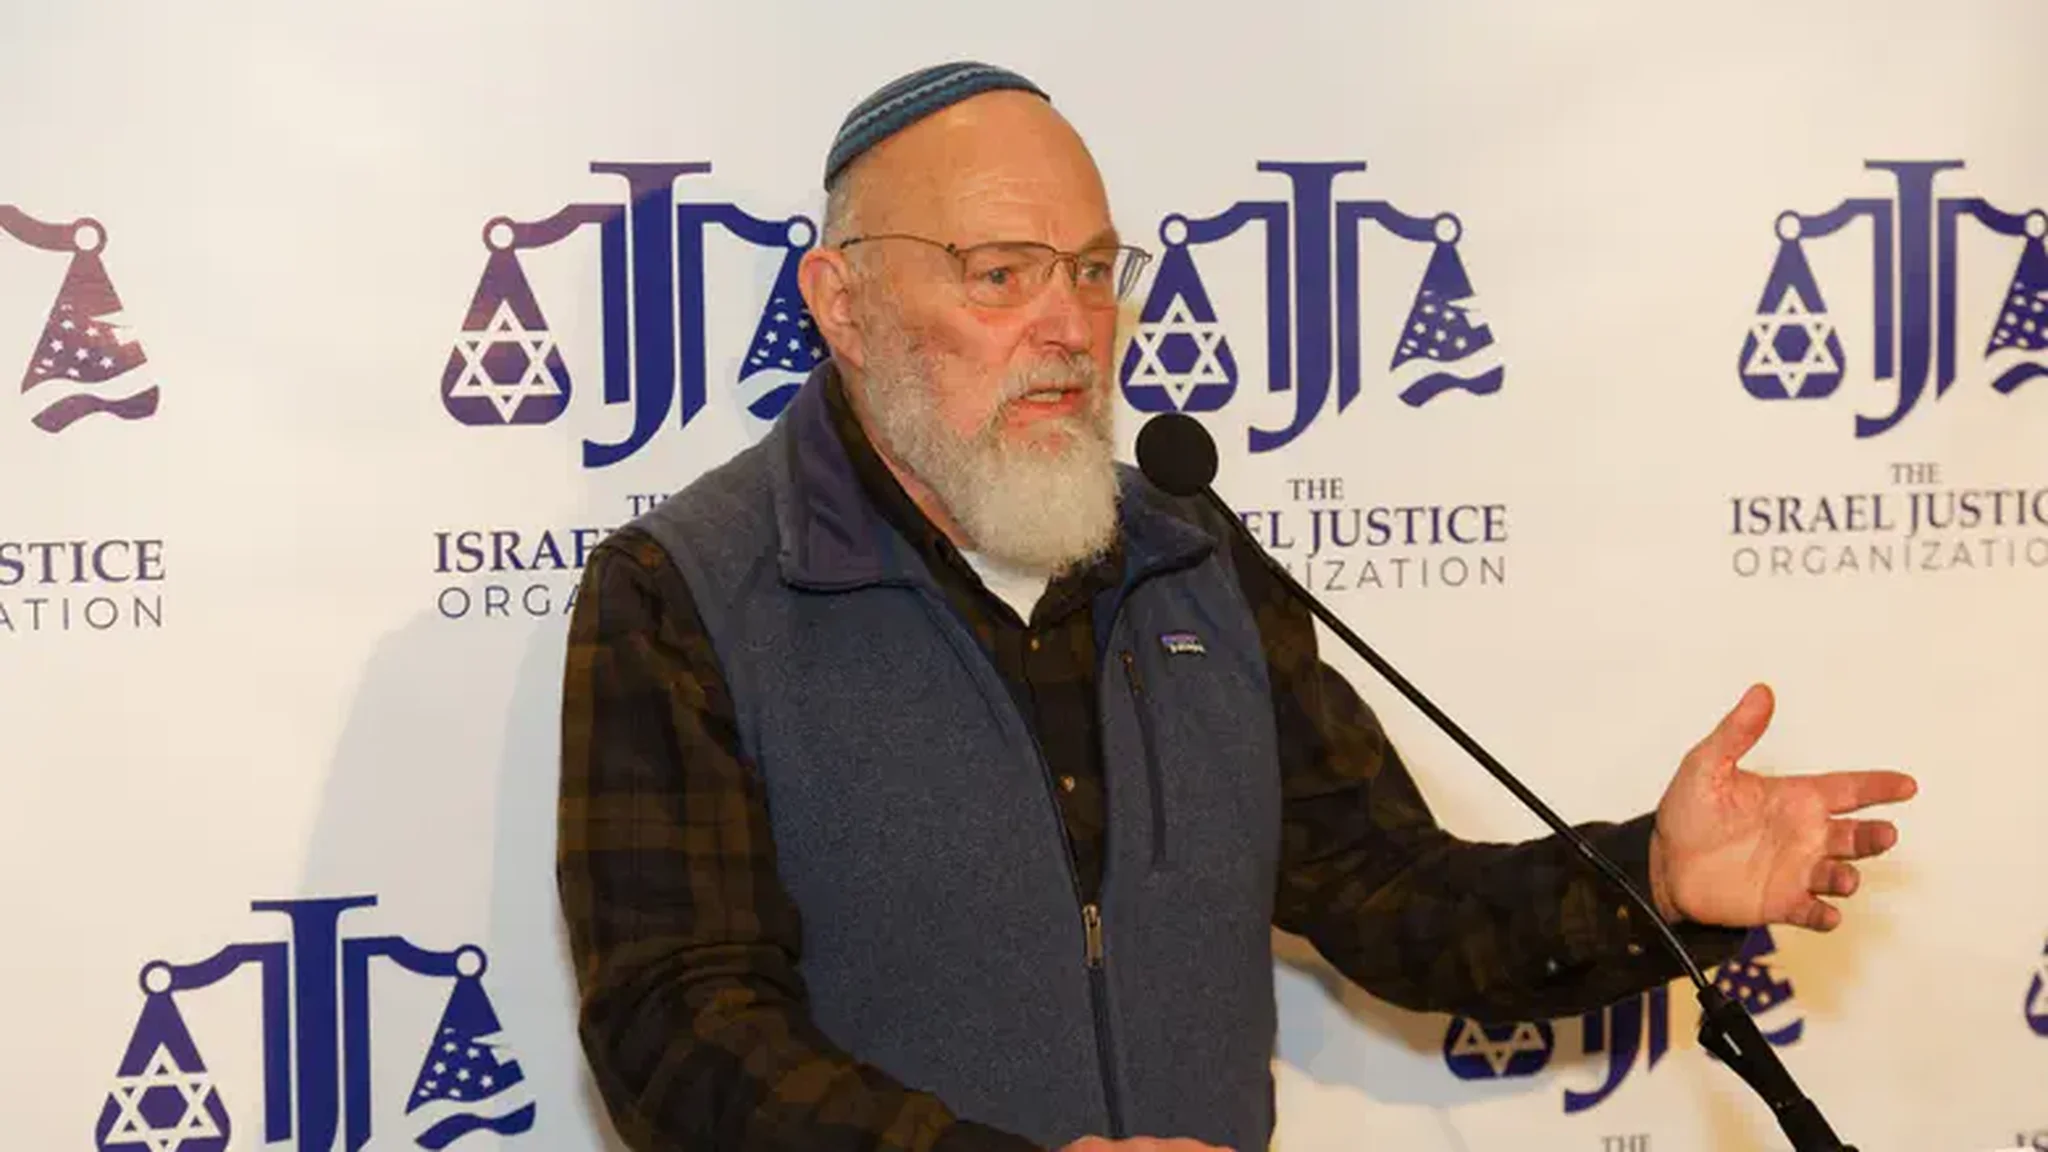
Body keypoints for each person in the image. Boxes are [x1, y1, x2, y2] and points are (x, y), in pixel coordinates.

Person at [555, 61, 1917, 1152]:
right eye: (1002, 273)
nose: (1071, 326)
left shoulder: (1183, 549)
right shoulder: (686, 593)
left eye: (1095, 270)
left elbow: (1388, 890)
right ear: (843, 304)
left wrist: (1655, 883)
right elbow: (676, 1033)